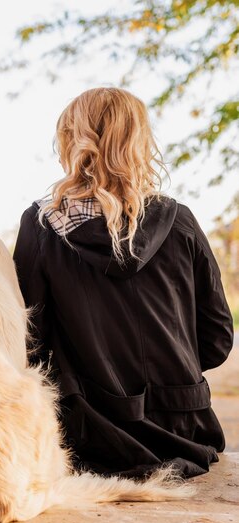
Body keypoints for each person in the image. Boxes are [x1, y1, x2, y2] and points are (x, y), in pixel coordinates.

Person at [13, 87, 234, 479]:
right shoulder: (180, 220)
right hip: (186, 431)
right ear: (140, 142)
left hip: (89, 440)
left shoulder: (42, 226)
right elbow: (217, 339)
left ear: (71, 141)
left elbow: (29, 341)